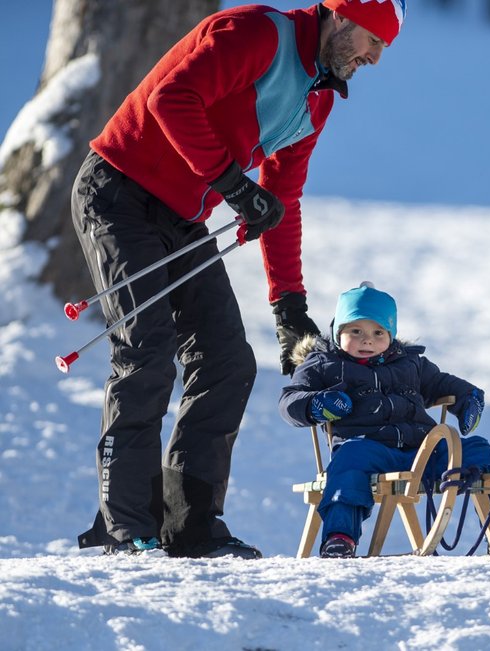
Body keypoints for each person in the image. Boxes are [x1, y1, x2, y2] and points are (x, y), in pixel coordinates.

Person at [69, 0, 406, 558]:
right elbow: (170, 99)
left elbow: (283, 200)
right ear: (341, 16)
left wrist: (288, 305)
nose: (374, 57)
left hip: (181, 216)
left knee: (227, 360)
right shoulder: (255, 32)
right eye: (374, 40)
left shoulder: (317, 98)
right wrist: (232, 184)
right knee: (146, 351)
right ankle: (125, 524)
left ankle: (191, 526)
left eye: (383, 48)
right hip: (118, 192)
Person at [278, 282, 490, 558]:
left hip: (423, 450)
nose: (368, 340)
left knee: (481, 452)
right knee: (348, 463)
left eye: (378, 332)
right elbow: (289, 401)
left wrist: (468, 397)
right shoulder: (322, 364)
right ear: (338, 332)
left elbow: (441, 383)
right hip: (367, 448)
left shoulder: (410, 364)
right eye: (356, 331)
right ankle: (341, 537)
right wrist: (317, 404)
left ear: (391, 335)